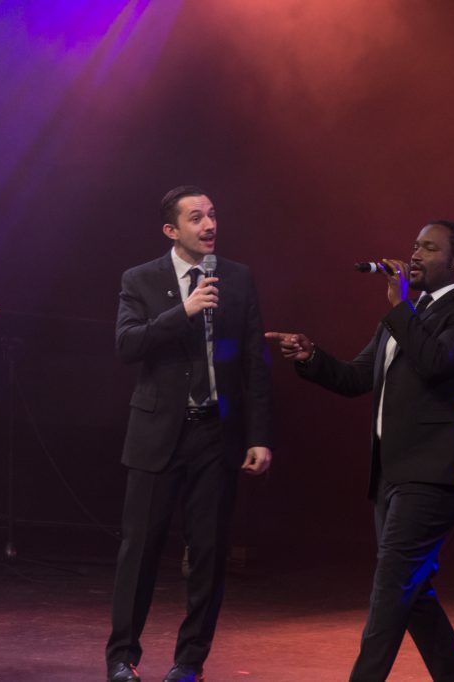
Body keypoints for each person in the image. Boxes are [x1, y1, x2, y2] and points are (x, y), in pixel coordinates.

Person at [266, 220, 454, 681]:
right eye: (414, 245)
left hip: (437, 472)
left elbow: (435, 362)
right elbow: (356, 377)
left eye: (428, 248)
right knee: (411, 592)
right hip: (393, 472)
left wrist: (400, 307)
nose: (414, 255)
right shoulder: (407, 316)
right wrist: (312, 357)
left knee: (393, 586)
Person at [106, 186, 274, 682]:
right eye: (196, 217)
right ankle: (121, 657)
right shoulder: (140, 279)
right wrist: (183, 311)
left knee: (208, 553)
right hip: (157, 433)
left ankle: (190, 662)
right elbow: (127, 345)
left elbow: (254, 362)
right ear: (171, 230)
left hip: (215, 435)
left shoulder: (238, 278)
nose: (209, 225)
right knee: (139, 551)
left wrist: (259, 435)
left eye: (213, 214)